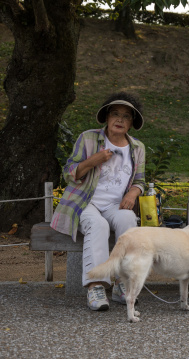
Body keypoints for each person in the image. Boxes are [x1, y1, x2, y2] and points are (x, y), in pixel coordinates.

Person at [51, 92, 146, 311]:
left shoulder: (137, 147)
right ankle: (96, 286)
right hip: (85, 202)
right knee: (98, 225)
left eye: (126, 116)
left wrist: (132, 194)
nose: (120, 120)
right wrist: (92, 161)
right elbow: (68, 173)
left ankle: (123, 285)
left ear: (132, 123)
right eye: (115, 114)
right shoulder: (88, 138)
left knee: (129, 221)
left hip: (115, 205)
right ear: (106, 117)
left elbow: (140, 180)